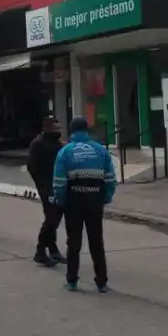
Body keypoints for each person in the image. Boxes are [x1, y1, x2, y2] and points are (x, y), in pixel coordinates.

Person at [53, 116, 116, 293]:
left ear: (72, 131)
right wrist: (106, 196)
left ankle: (72, 281)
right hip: (95, 201)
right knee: (97, 242)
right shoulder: (100, 150)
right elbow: (110, 178)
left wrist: (61, 200)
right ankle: (101, 282)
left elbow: (59, 181)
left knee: (73, 242)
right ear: (87, 130)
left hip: (74, 202)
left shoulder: (66, 151)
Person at [27, 116, 67, 266]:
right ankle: (40, 251)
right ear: (47, 128)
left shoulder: (58, 144)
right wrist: (42, 185)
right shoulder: (38, 143)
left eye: (59, 128)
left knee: (56, 219)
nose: (58, 130)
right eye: (55, 128)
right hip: (46, 186)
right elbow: (32, 166)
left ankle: (53, 249)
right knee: (51, 218)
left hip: (59, 186)